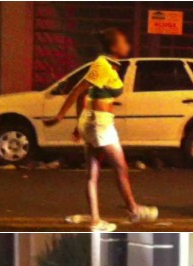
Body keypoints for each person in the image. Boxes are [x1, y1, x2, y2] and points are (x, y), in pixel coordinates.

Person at [44, 28, 157, 231]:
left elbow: (83, 97)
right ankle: (133, 210)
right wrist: (60, 116)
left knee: (92, 173)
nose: (127, 45)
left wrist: (79, 125)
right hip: (100, 123)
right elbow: (78, 90)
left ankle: (96, 220)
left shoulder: (108, 66)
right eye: (124, 41)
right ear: (114, 46)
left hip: (93, 121)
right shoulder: (102, 66)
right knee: (121, 167)